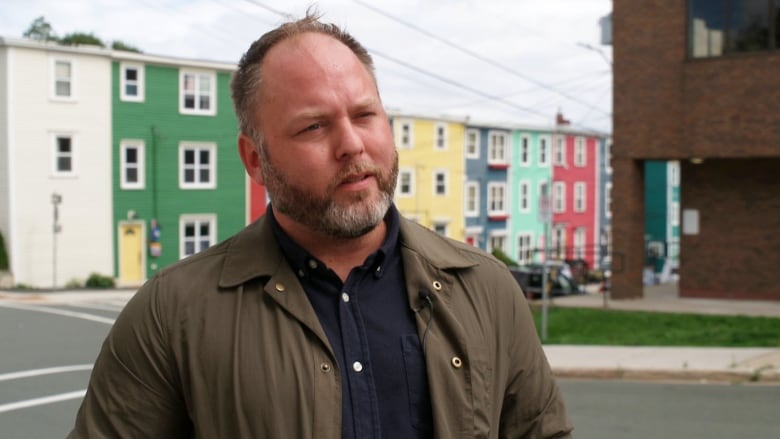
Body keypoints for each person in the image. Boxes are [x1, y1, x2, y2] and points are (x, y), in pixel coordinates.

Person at [70, 10, 572, 439]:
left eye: (365, 114)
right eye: (314, 126)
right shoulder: (172, 313)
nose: (352, 144)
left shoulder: (485, 290)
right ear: (255, 160)